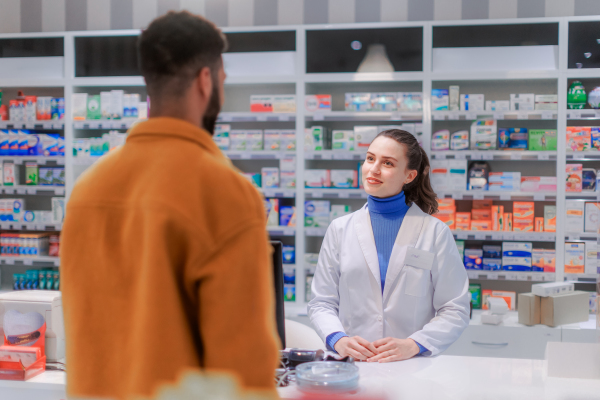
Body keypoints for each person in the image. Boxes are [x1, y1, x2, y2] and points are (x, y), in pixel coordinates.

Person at [60, 11, 280, 400]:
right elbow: (242, 371)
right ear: (206, 80)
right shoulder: (225, 190)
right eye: (223, 79)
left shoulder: (87, 188)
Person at [308, 129, 470, 362]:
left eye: (388, 163)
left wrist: (415, 344)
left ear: (409, 176)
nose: (373, 169)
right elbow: (321, 302)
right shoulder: (340, 229)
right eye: (370, 158)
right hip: (353, 364)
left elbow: (456, 308)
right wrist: (338, 339)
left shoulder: (434, 232)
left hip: (410, 367)